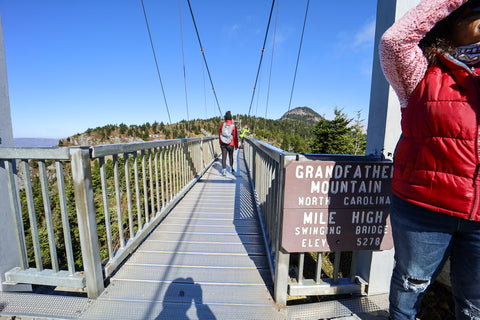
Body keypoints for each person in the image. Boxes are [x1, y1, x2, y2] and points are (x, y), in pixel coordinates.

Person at [380, 0, 480, 318]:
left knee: (474, 306)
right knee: (410, 288)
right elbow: (394, 42)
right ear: (452, 20)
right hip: (423, 209)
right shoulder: (421, 73)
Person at [218, 111, 238, 176]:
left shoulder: (222, 126)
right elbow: (235, 137)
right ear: (231, 118)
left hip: (223, 143)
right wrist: (236, 145)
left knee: (224, 157)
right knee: (231, 156)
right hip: (231, 144)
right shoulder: (233, 126)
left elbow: (219, 135)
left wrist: (220, 143)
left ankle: (224, 170)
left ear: (225, 119)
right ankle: (231, 168)